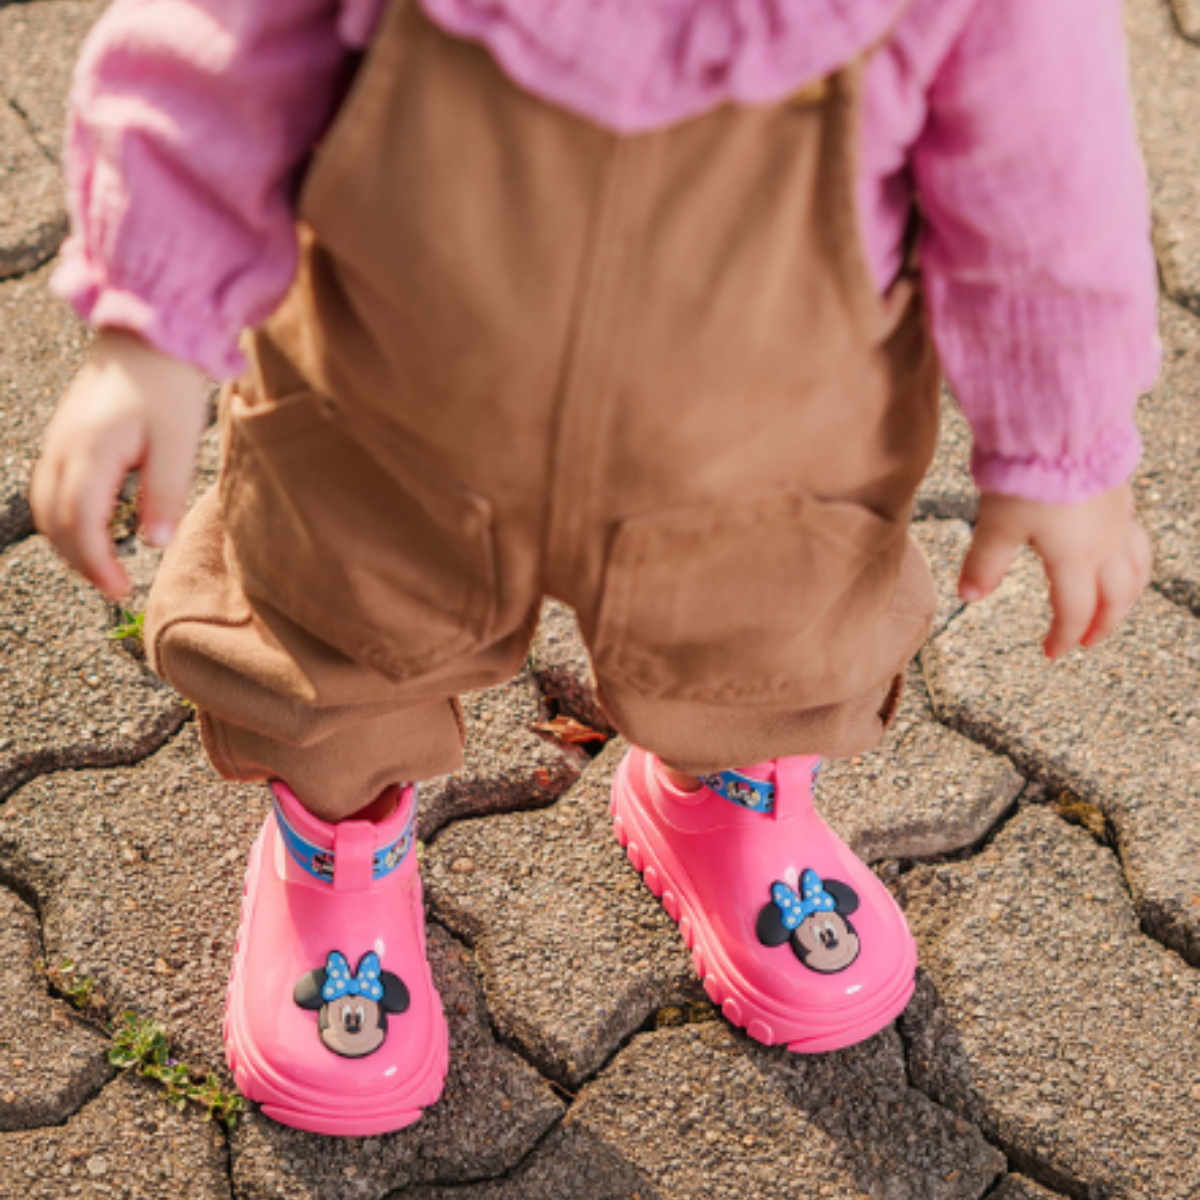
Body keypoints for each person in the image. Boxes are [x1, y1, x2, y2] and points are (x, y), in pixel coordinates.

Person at [30, 0, 1157, 1136]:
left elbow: (1048, 171)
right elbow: (218, 53)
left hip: (763, 428)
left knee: (773, 628)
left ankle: (726, 793)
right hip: (392, 390)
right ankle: (339, 838)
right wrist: (153, 319)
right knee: (333, 625)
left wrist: (1065, 438)